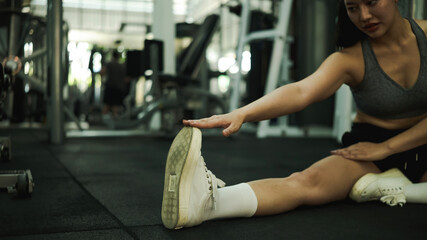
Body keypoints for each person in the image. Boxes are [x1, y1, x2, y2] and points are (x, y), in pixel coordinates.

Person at [161, 0, 427, 230]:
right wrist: (241, 113)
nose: (364, 16)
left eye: (371, 2)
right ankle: (207, 205)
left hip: (413, 142)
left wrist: (387, 148)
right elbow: (301, 91)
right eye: (352, 8)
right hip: (368, 146)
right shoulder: (350, 59)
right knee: (304, 183)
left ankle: (398, 187)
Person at [100, 50, 128, 117]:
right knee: (115, 107)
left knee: (107, 106)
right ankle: (115, 122)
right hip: (118, 88)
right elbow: (126, 79)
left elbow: (102, 72)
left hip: (110, 87)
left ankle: (103, 123)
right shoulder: (122, 66)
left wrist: (103, 80)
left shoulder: (109, 64)